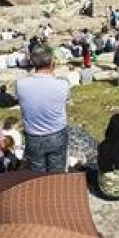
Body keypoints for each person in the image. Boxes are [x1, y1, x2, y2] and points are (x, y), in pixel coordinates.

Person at [16, 45, 70, 173]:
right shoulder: (63, 84)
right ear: (52, 61)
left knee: (37, 173)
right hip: (57, 133)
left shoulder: (20, 84)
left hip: (33, 135)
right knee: (57, 171)